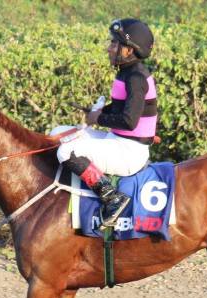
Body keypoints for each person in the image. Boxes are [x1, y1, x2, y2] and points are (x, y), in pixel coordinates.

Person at [56, 18, 157, 228]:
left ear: (129, 50)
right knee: (59, 132)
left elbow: (129, 121)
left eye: (114, 43)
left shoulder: (136, 77)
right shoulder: (128, 71)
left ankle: (112, 198)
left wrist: (98, 118)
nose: (109, 48)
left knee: (66, 151)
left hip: (129, 152)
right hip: (119, 141)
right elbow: (123, 107)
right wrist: (102, 111)